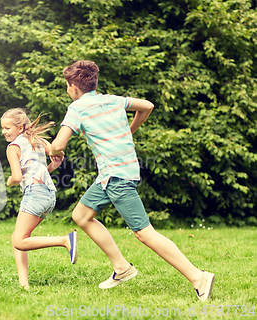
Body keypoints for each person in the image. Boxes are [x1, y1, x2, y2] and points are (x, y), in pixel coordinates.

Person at [49, 60, 215, 301]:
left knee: (144, 233)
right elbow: (147, 106)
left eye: (67, 85)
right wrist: (130, 129)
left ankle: (198, 277)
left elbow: (59, 144)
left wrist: (55, 151)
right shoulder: (114, 100)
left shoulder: (77, 108)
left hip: (117, 177)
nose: (67, 90)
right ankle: (122, 268)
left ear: (73, 87)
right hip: (114, 174)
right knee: (81, 216)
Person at [1, 108, 78, 290]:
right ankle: (24, 284)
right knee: (18, 237)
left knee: (19, 240)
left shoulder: (13, 148)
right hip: (48, 195)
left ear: (19, 128)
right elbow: (56, 154)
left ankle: (64, 240)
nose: (4, 131)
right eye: (2, 128)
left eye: (7, 127)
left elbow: (17, 177)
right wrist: (54, 164)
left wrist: (9, 181)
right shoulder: (37, 140)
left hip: (35, 194)